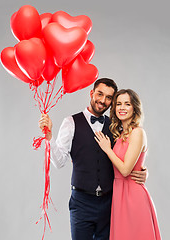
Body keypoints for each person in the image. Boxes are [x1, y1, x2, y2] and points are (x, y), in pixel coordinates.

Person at [39, 78, 147, 240]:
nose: (103, 101)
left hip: (111, 202)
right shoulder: (70, 123)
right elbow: (59, 161)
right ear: (92, 93)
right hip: (81, 202)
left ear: (112, 101)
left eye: (109, 97)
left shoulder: (115, 127)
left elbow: (128, 155)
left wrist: (142, 170)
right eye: (100, 94)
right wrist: (49, 138)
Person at [95, 89, 161, 240]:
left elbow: (125, 170)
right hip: (119, 195)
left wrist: (107, 149)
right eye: (118, 104)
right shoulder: (119, 135)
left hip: (134, 197)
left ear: (134, 108)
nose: (122, 108)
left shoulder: (138, 132)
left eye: (127, 104)